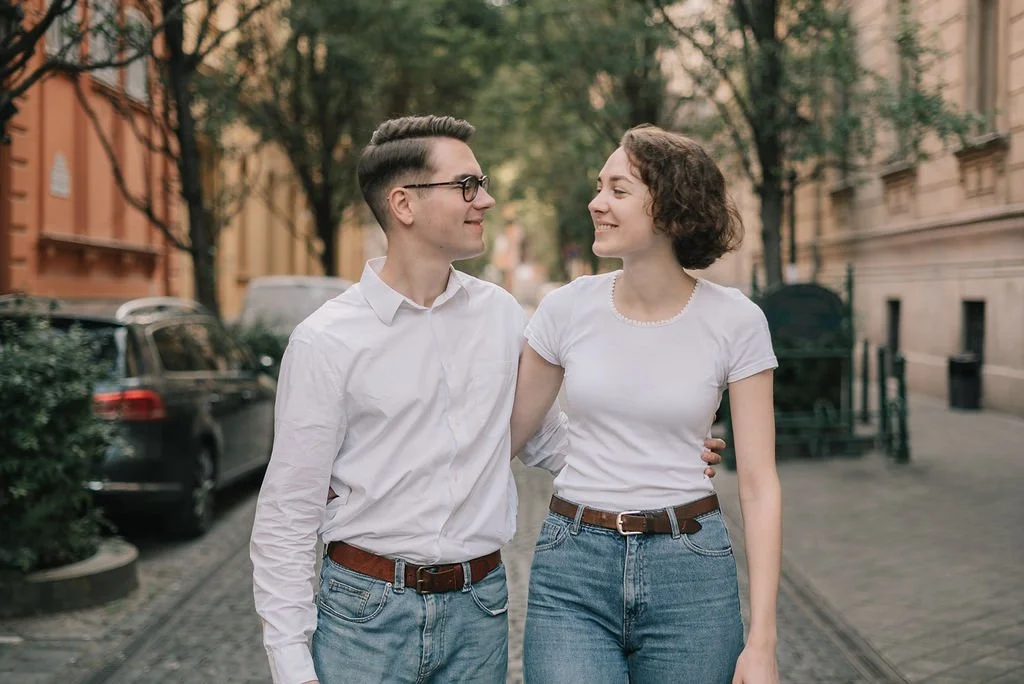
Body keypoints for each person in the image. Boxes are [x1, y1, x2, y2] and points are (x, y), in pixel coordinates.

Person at [250, 115, 726, 684]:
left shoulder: (500, 314)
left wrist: (658, 453)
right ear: (403, 204)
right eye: (467, 186)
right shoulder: (327, 340)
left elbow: (545, 438)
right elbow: (288, 511)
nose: (487, 200)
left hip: (479, 609)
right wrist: (291, 664)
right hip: (363, 615)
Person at [510, 125, 781, 684]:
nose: (596, 203)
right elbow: (508, 434)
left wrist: (762, 643)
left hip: (692, 574)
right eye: (599, 186)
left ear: (672, 210)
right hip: (573, 568)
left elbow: (759, 484)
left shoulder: (736, 321)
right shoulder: (566, 309)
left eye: (618, 189)